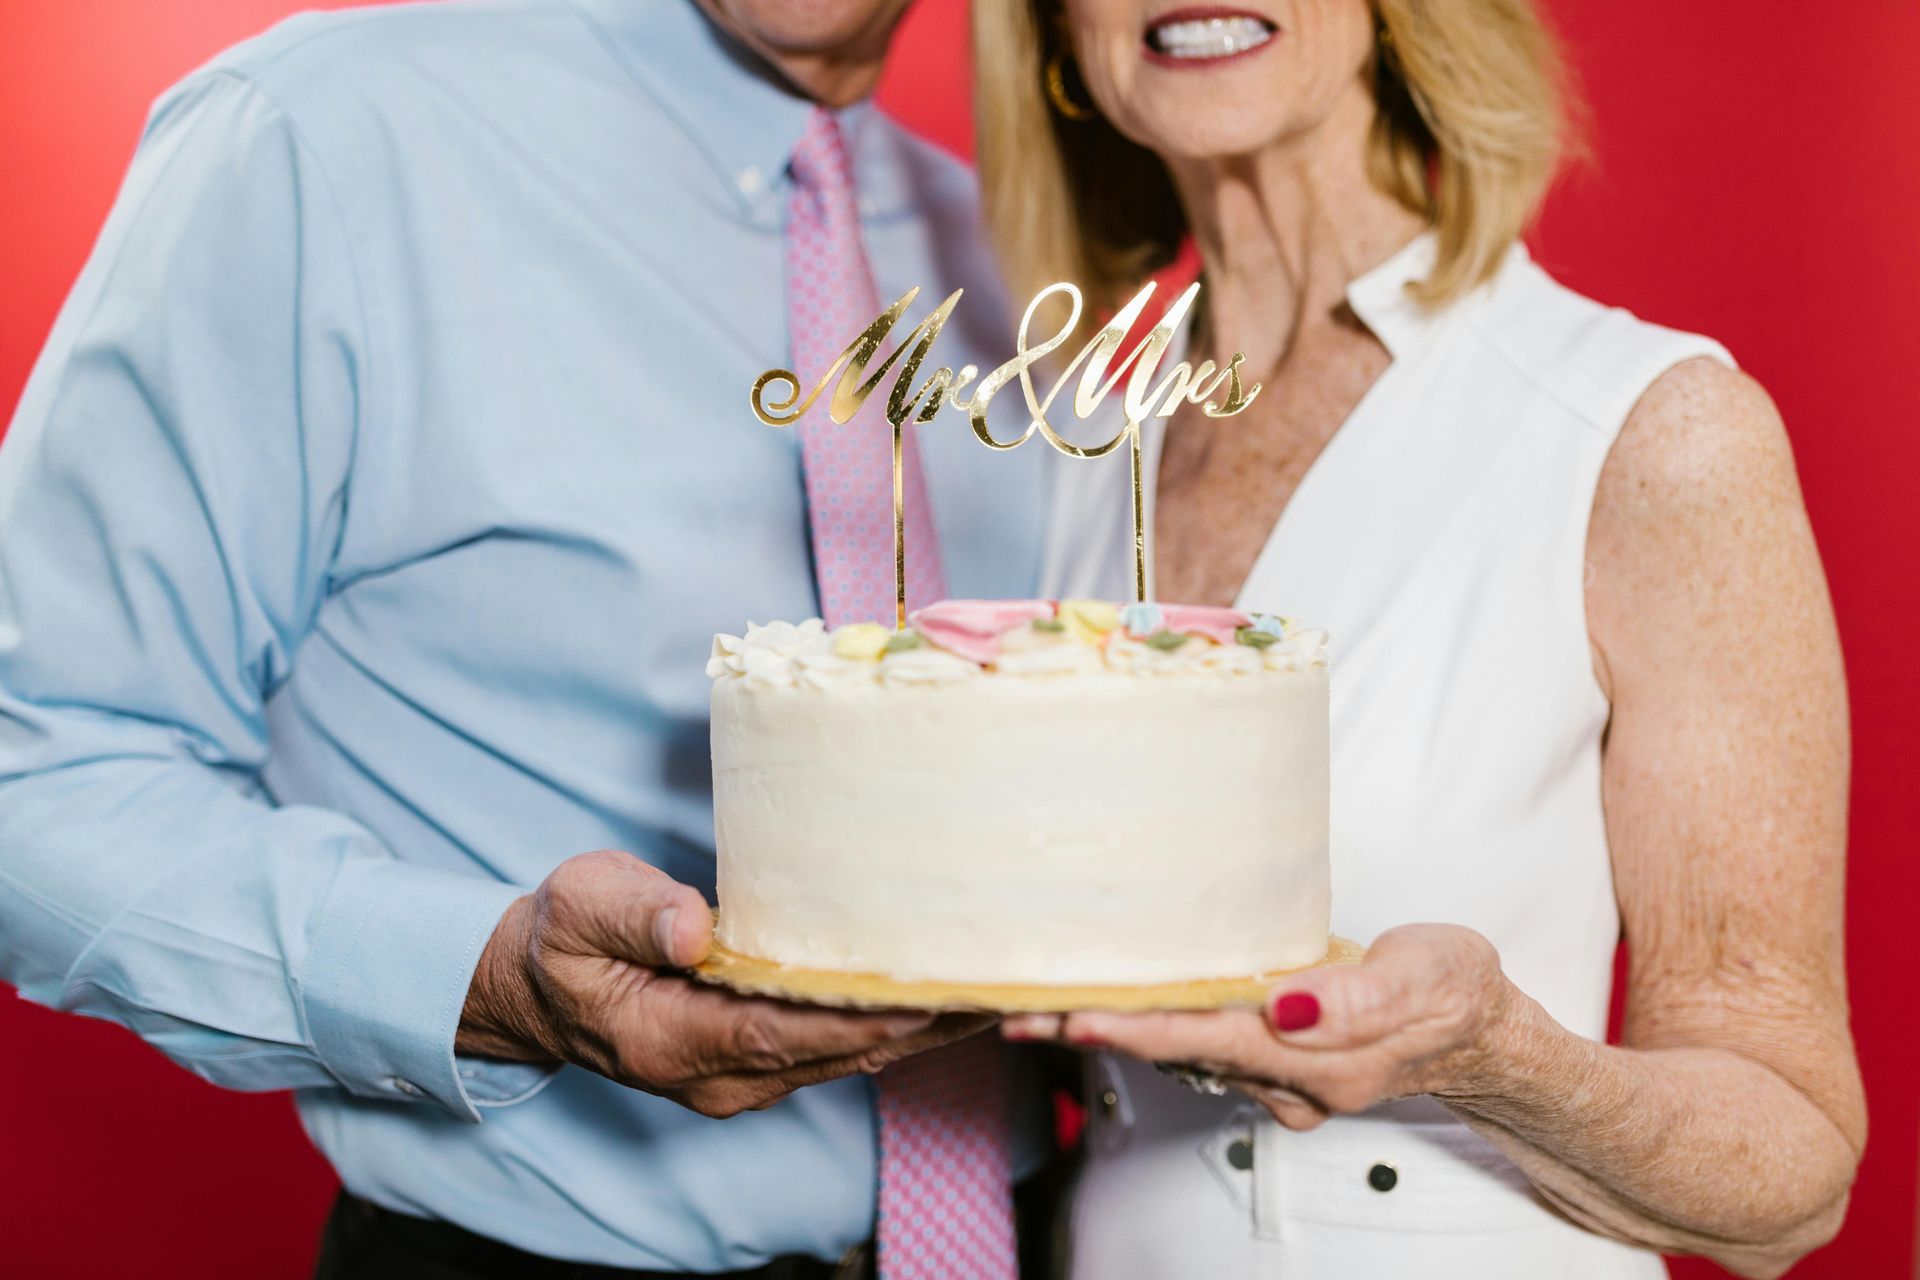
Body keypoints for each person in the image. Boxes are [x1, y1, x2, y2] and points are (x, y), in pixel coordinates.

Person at [0, 2, 1052, 1277]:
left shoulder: (1014, 251)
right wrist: (487, 977)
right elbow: (35, 764)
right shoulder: (320, 144)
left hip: (1046, 1231)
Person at [973, 0, 1866, 1276]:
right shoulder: (1065, 444)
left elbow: (1797, 1173)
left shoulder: (1652, 430)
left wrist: (1490, 1049)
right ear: (1059, 35)